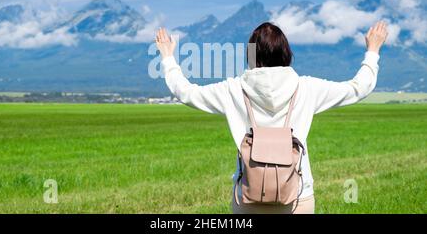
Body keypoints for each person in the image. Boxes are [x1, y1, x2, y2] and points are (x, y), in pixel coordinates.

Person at [155, 21, 388, 214]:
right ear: (286, 54)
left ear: (251, 55)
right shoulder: (307, 87)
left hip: (247, 197)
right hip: (297, 196)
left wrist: (167, 57)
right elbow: (359, 88)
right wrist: (373, 50)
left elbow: (186, 92)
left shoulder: (233, 89)